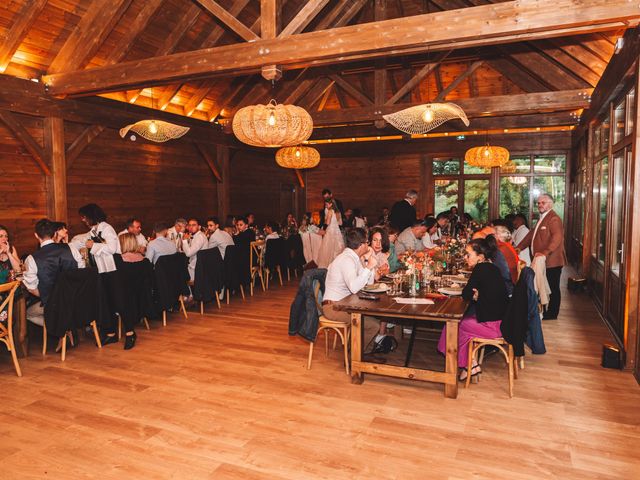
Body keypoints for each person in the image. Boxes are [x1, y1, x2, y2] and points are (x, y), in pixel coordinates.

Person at [437, 238, 508, 381]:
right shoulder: (492, 267)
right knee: (461, 323)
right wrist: (477, 295)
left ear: (480, 257)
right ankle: (470, 364)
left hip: (494, 326)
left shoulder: (480, 268)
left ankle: (468, 365)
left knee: (453, 326)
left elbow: (465, 294)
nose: (465, 257)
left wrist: (474, 295)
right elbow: (475, 293)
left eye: (468, 255)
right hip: (502, 321)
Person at [75, 203, 131, 348]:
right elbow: (83, 240)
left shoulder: (107, 228)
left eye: (84, 217)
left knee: (119, 301)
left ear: (91, 216)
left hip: (114, 268)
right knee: (106, 301)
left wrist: (92, 246)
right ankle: (111, 333)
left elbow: (112, 248)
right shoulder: (93, 230)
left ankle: (130, 333)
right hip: (102, 269)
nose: (83, 220)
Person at [22, 219, 84, 334]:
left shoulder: (32, 258)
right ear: (54, 233)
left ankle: (60, 327)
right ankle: (67, 326)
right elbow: (81, 272)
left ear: (36, 235)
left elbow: (31, 288)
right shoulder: (71, 248)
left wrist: (48, 296)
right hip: (77, 300)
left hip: (54, 305)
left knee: (28, 314)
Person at [516, 193, 566, 320]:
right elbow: (531, 235)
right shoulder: (542, 218)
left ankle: (552, 313)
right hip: (541, 261)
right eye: (538, 203)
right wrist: (519, 247)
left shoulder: (554, 219)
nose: (540, 205)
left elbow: (557, 238)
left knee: (553, 287)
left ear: (550, 204)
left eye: (543, 203)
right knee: (543, 286)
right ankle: (544, 309)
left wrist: (545, 252)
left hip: (552, 261)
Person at [322, 228, 377, 323]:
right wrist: (368, 268)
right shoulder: (347, 259)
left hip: (346, 304)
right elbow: (354, 288)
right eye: (367, 242)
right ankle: (353, 338)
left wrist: (368, 262)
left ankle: (355, 337)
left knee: (374, 319)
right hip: (333, 307)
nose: (368, 245)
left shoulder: (354, 258)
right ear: (361, 245)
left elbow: (369, 283)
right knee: (372, 324)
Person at [316, 199, 345, 268]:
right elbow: (340, 223)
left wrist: (325, 223)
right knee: (337, 249)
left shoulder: (330, 211)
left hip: (330, 231)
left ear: (331, 204)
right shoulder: (338, 212)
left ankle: (328, 267)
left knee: (328, 250)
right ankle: (337, 266)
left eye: (327, 204)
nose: (326, 206)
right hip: (337, 231)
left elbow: (328, 222)